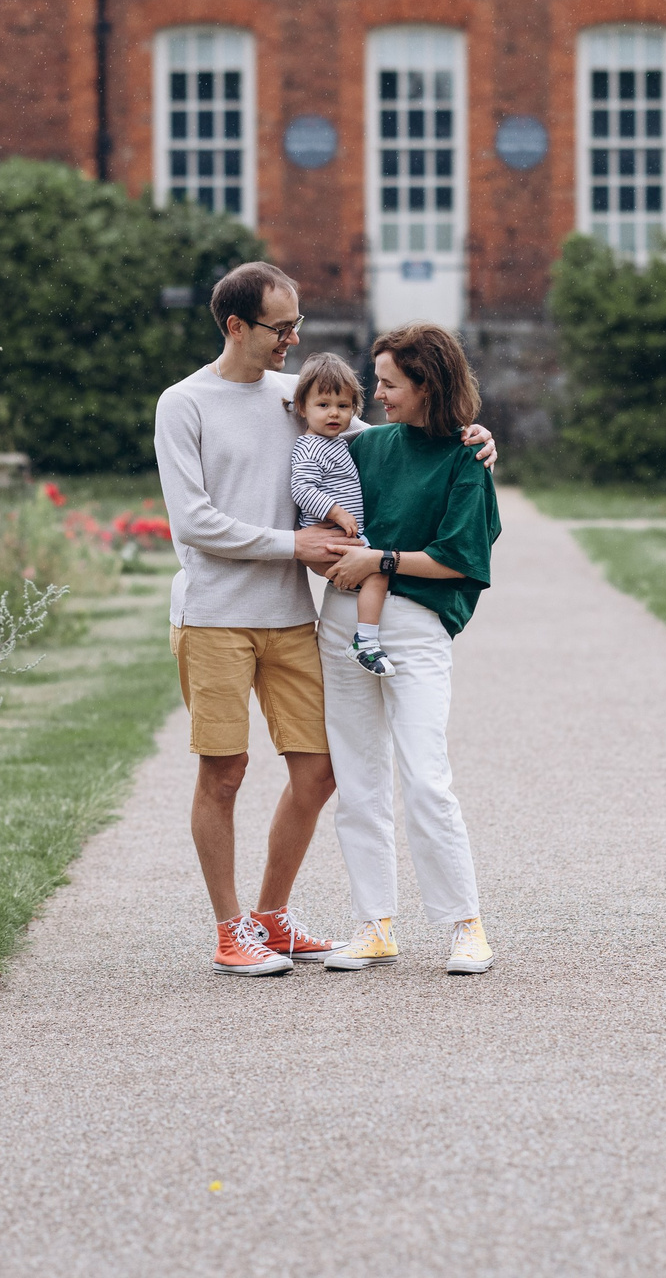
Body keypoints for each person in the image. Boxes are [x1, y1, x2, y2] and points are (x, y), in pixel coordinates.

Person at [153, 262, 496, 977]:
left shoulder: (296, 398)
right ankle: (236, 930)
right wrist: (297, 544)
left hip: (290, 619)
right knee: (228, 772)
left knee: (324, 774)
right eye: (284, 327)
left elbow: (400, 433)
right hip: (217, 614)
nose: (296, 338)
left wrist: (476, 437)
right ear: (237, 326)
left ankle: (276, 918)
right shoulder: (183, 403)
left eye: (298, 323)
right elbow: (193, 522)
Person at [312, 324, 502, 977]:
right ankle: (375, 925)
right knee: (359, 783)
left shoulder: (464, 459)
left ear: (428, 385)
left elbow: (461, 557)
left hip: (415, 629)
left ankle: (464, 925)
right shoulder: (365, 445)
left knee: (426, 778)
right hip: (340, 627)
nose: (378, 395)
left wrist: (382, 558)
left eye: (391, 383)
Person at [287, 353, 397, 678]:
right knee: (377, 571)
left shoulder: (337, 440)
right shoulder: (309, 447)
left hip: (342, 536)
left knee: (371, 576)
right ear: (303, 407)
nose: (334, 413)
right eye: (323, 405)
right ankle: (365, 642)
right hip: (327, 536)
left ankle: (363, 635)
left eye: (344, 406)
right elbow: (302, 490)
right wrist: (336, 512)